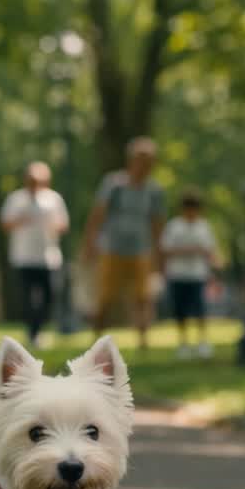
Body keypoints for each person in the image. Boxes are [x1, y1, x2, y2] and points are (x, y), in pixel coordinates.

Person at [82, 137, 167, 351]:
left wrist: (160, 253)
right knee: (105, 297)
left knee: (142, 297)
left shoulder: (154, 190)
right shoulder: (114, 184)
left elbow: (157, 223)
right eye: (143, 160)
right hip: (112, 249)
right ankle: (96, 339)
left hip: (141, 250)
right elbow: (98, 215)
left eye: (150, 161)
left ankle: (143, 342)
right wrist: (89, 244)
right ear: (131, 160)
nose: (147, 165)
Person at [0, 161, 70, 349]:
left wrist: (51, 224)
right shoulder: (16, 199)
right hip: (23, 258)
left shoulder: (53, 199)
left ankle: (38, 330)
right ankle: (32, 333)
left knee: (49, 297)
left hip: (49, 258)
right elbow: (5, 224)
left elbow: (64, 225)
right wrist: (22, 220)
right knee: (27, 299)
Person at [161, 189, 217, 359]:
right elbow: (165, 249)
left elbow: (210, 250)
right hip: (178, 275)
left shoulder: (204, 226)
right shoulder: (174, 226)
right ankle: (183, 343)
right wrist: (188, 250)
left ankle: (202, 342)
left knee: (200, 309)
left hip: (197, 275)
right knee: (180, 311)